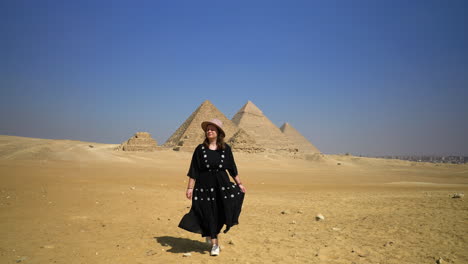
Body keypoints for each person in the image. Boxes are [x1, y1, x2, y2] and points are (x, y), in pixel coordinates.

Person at [178, 118, 246, 256]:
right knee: (206, 212)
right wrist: (190, 188)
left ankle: (212, 236)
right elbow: (194, 170)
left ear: (218, 132)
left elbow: (232, 168)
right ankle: (215, 244)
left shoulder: (226, 149)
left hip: (221, 186)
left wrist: (239, 183)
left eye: (212, 129)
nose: (209, 131)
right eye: (207, 129)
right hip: (203, 186)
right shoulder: (200, 149)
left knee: (219, 213)